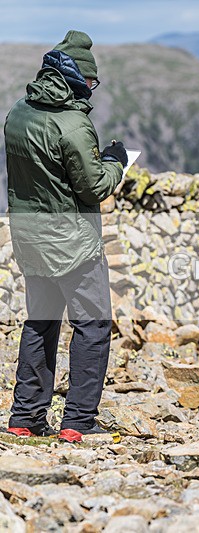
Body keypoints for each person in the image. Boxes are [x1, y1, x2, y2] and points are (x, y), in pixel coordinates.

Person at [4, 30, 128, 442]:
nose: (92, 89)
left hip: (31, 239)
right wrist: (115, 161)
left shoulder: (18, 113)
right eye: (90, 82)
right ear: (74, 76)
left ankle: (25, 417)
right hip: (74, 245)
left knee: (40, 323)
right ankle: (77, 422)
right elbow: (93, 188)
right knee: (92, 325)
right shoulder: (74, 125)